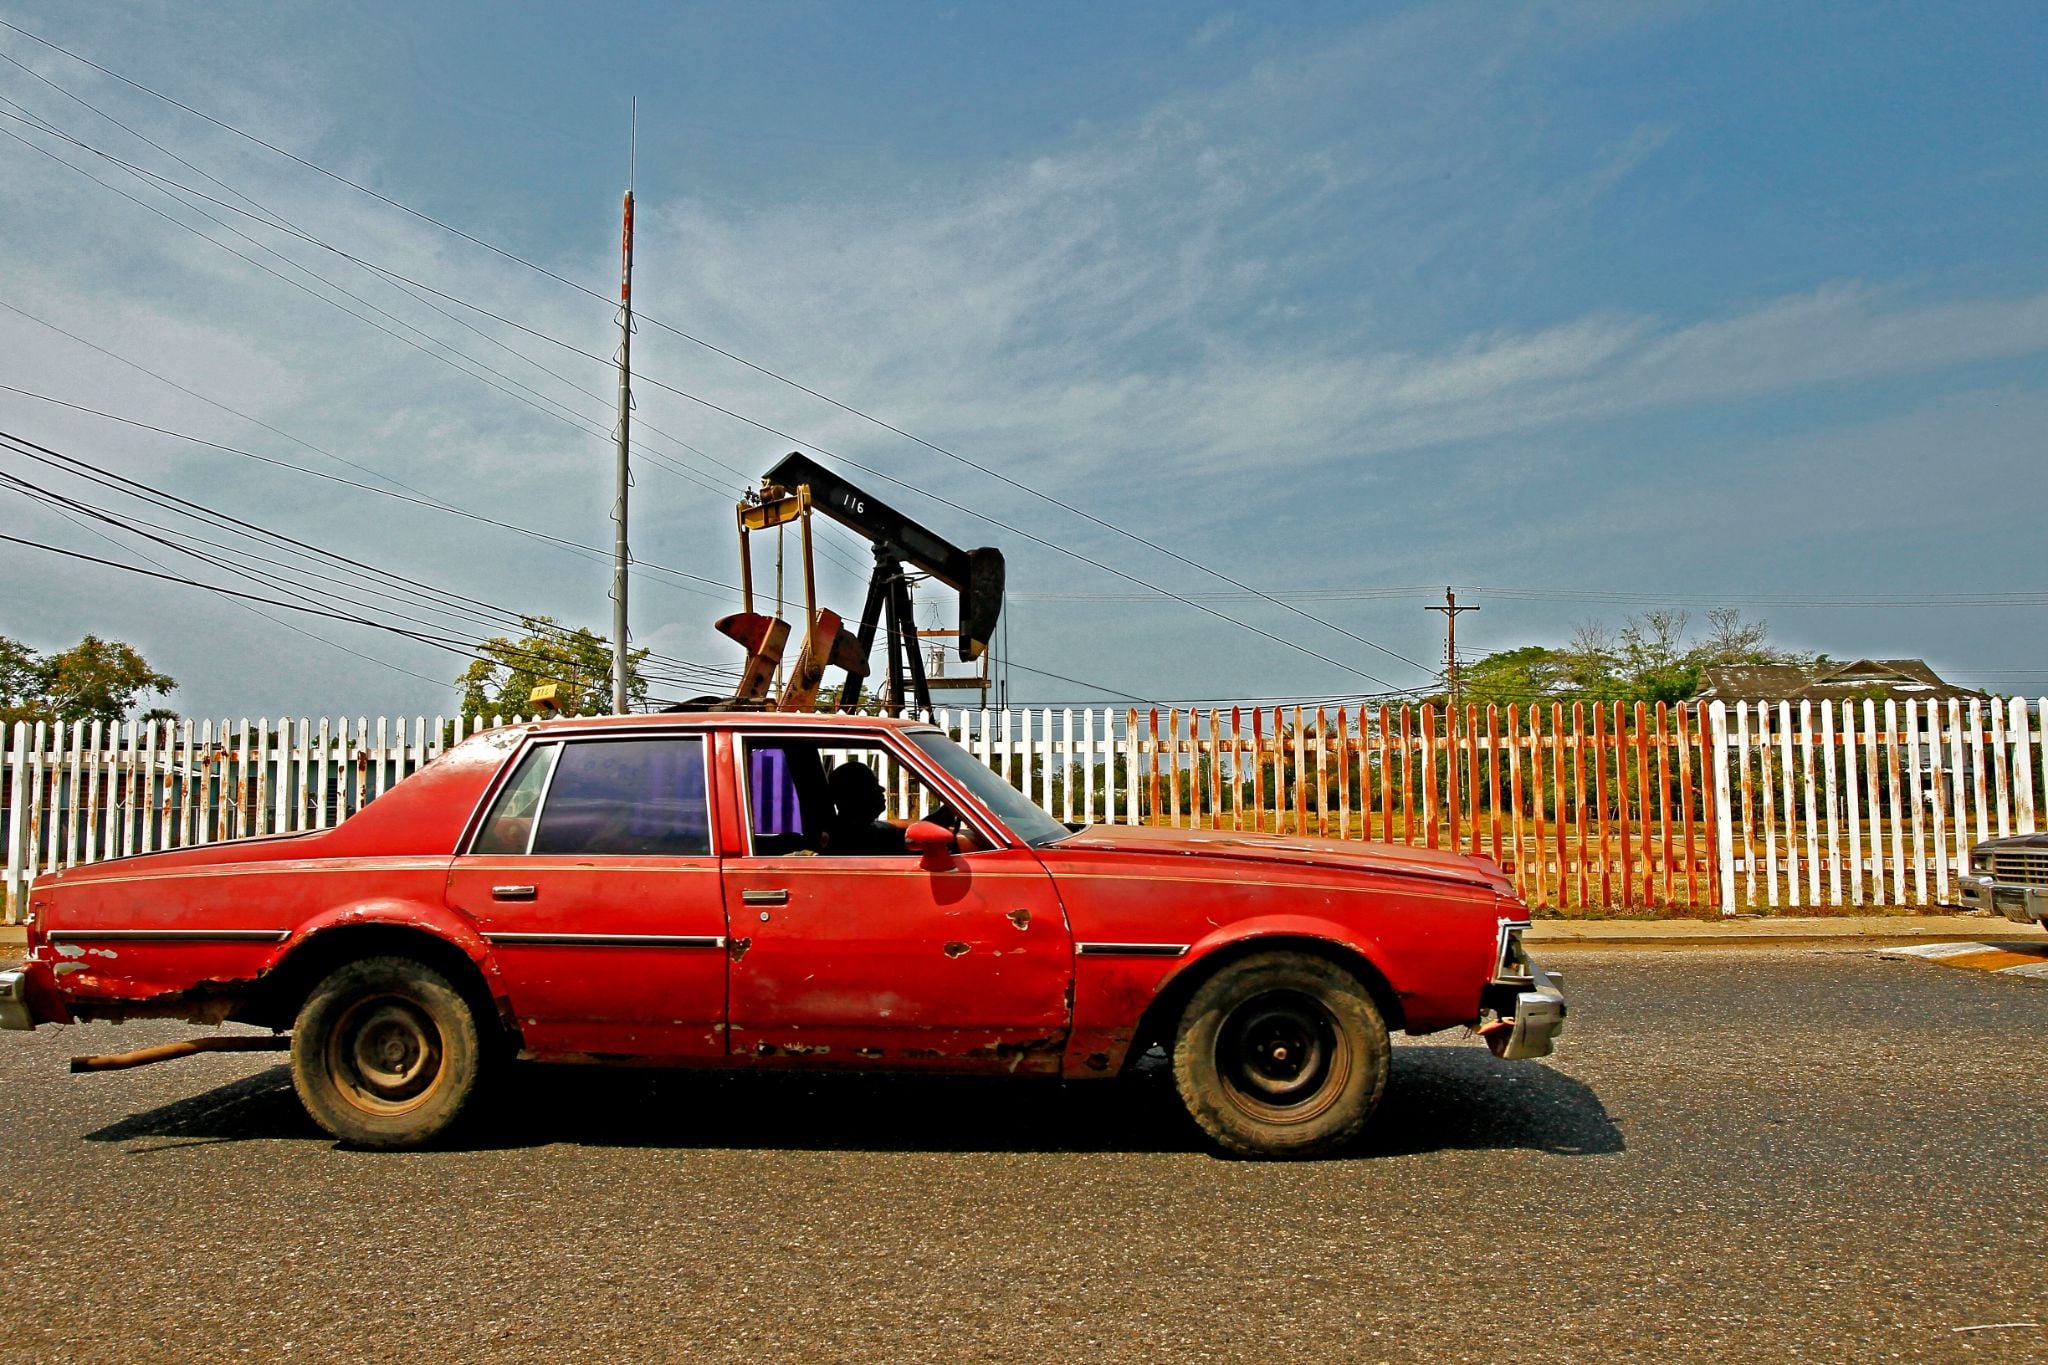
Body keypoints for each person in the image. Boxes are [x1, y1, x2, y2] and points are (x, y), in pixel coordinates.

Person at [822, 761, 908, 856]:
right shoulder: (856, 841)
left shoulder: (855, 831)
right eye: (873, 785)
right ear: (854, 795)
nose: (882, 789)